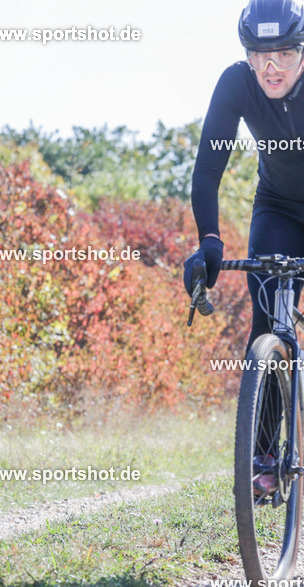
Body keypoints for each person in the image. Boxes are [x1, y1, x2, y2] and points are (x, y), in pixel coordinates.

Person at [184, 0, 304, 496]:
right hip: (277, 207)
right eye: (258, 54)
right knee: (267, 320)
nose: (269, 66)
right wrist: (208, 240)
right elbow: (208, 168)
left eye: (282, 53)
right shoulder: (236, 83)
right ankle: (267, 457)